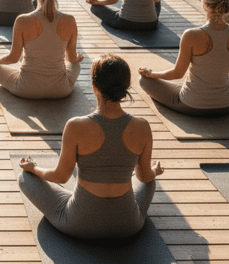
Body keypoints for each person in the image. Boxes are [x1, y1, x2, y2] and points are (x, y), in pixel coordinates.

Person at [18, 54, 163, 239]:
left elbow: (60, 176)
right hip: (128, 224)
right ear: (126, 87)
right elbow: (144, 177)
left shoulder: (76, 126)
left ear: (94, 87)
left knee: (25, 178)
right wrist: (154, 172)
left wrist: (34, 168)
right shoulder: (142, 126)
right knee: (150, 180)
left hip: (80, 223)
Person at [139, 0, 229, 116]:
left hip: (192, 104)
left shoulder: (191, 35)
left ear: (205, 4)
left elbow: (177, 74)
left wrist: (151, 74)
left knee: (144, 80)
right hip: (225, 105)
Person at [0, 0, 83, 99]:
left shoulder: (22, 20)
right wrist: (78, 58)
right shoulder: (70, 20)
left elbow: (13, 58)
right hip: (61, 89)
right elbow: (71, 59)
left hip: (26, 89)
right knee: (76, 64)